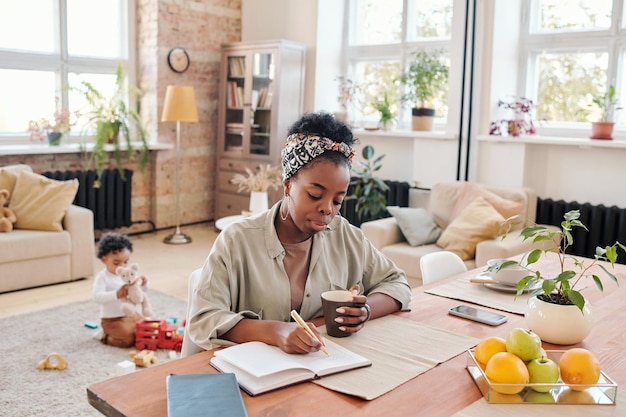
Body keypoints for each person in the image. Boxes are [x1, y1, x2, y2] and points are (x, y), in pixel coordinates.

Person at [188, 112, 411, 354]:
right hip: (255, 378)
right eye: (315, 195)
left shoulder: (346, 235)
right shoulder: (237, 240)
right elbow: (204, 319)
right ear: (288, 185)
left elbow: (397, 283)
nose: (327, 208)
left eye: (338, 200)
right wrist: (276, 331)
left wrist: (364, 311)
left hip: (323, 371)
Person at [92, 232, 149, 347]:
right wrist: (116, 294)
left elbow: (141, 293)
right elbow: (96, 297)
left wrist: (143, 284)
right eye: (116, 263)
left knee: (147, 328)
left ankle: (128, 327)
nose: (123, 266)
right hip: (112, 319)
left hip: (130, 313)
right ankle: (104, 335)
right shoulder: (103, 277)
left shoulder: (128, 274)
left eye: (126, 261)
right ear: (104, 259)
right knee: (127, 340)